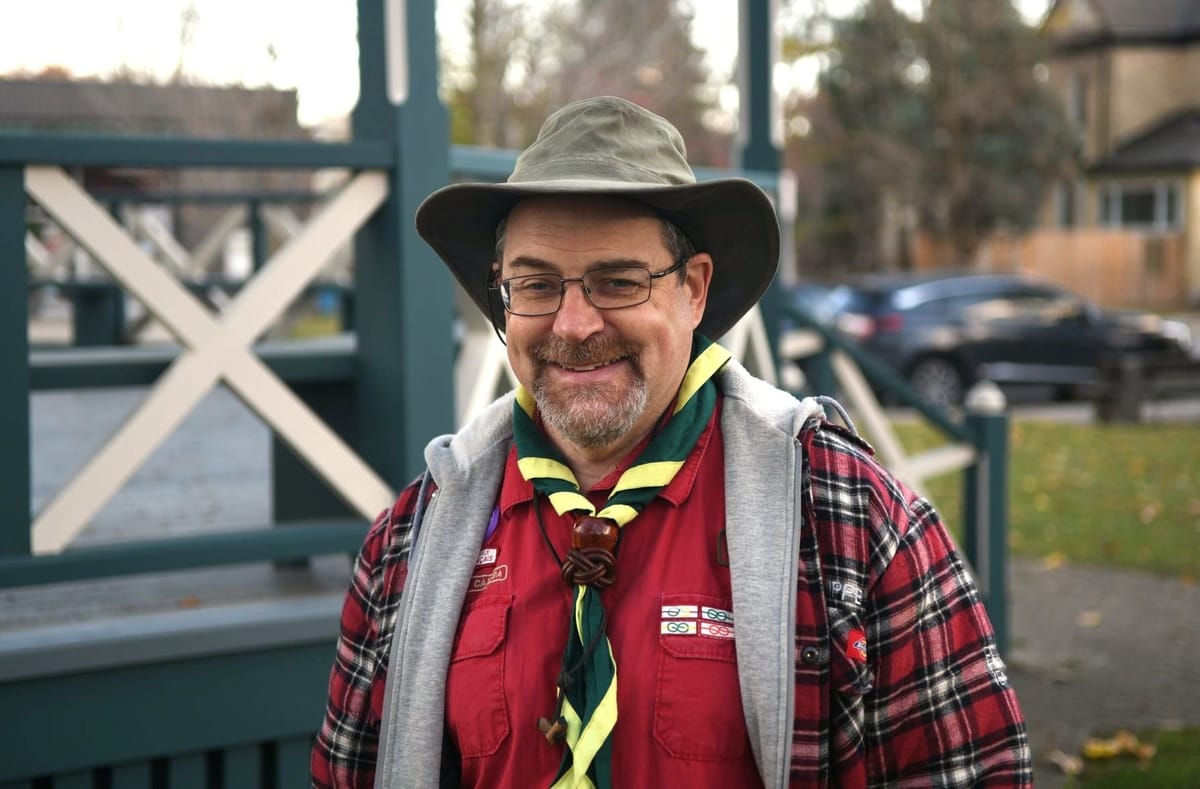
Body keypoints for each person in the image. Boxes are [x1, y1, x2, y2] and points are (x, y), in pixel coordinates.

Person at [312, 96, 1031, 788]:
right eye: (535, 285)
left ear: (693, 290)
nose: (572, 324)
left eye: (616, 282)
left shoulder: (849, 517)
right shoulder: (412, 538)